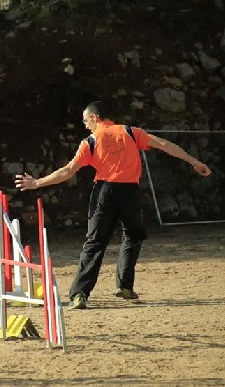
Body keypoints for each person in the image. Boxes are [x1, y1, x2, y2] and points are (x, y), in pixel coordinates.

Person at [15, 101, 212, 309]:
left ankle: (79, 294)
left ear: (95, 117)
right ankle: (124, 285)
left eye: (85, 120)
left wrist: (37, 183)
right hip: (130, 192)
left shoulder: (90, 141)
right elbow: (163, 144)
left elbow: (68, 171)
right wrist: (194, 162)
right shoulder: (131, 132)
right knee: (134, 235)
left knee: (95, 243)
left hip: (104, 193)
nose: (85, 125)